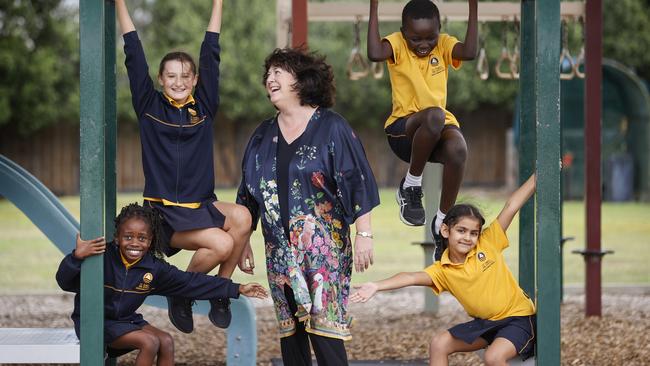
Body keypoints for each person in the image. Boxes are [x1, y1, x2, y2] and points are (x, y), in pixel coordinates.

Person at [236, 48, 380, 366]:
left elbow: (357, 179)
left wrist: (364, 234)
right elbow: (247, 191)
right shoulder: (262, 134)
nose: (270, 78)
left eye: (279, 72)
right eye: (268, 73)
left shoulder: (332, 127)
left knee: (325, 331)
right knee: (292, 337)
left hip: (323, 248)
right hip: (278, 252)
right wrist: (243, 238)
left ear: (302, 80)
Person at [116, 0, 252, 332]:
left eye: (185, 76)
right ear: (161, 79)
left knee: (244, 218)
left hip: (199, 205)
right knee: (222, 244)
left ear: (194, 81)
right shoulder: (148, 105)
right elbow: (133, 51)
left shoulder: (204, 106)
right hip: (163, 214)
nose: (179, 81)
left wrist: (218, 3)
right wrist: (120, 3)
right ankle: (184, 293)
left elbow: (211, 52)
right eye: (171, 76)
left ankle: (220, 293)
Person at [351, 174, 537, 366]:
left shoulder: (488, 243)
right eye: (461, 231)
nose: (468, 238)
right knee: (439, 343)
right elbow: (410, 277)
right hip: (487, 325)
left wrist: (538, 175)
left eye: (474, 233)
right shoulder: (443, 270)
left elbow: (511, 206)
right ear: (446, 231)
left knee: (493, 357)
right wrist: (376, 285)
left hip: (518, 319)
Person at [56, 203, 268, 365]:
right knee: (149, 342)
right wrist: (76, 257)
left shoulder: (154, 268)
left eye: (142, 238)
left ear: (151, 241)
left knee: (166, 340)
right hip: (95, 322)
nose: (135, 243)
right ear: (118, 238)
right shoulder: (102, 258)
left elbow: (191, 282)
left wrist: (236, 288)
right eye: (128, 237)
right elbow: (64, 282)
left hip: (126, 320)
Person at [367, 0, 477, 257]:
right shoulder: (396, 44)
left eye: (430, 37)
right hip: (403, 131)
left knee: (458, 148)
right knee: (435, 116)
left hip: (435, 129)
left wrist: (473, 6)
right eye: (416, 39)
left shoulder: (444, 44)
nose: (424, 44)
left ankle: (441, 223)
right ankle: (411, 184)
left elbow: (470, 52)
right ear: (404, 33)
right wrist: (374, 7)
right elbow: (374, 52)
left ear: (439, 29)